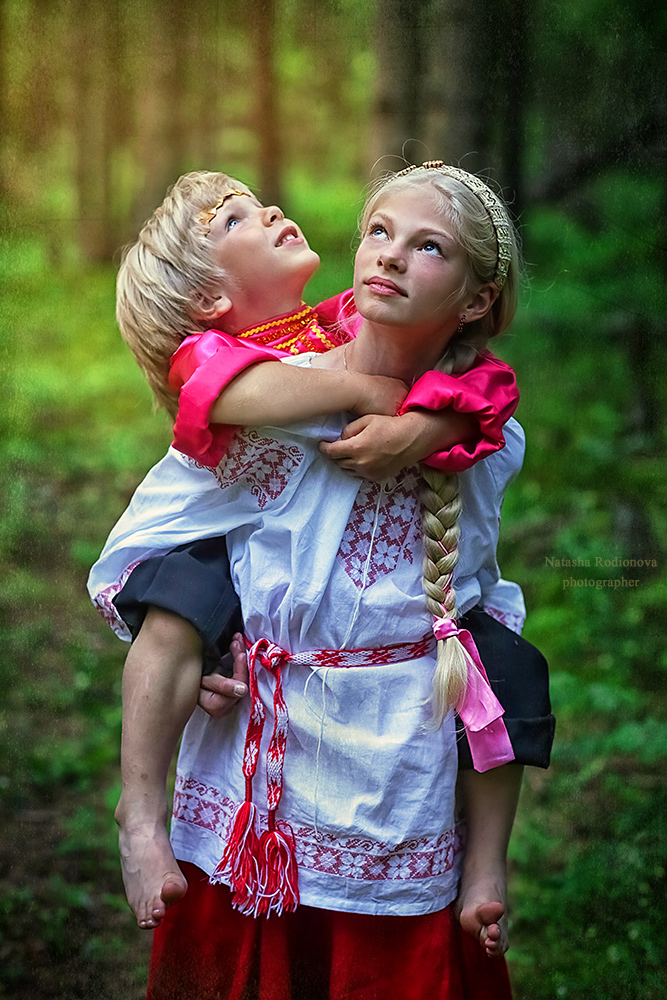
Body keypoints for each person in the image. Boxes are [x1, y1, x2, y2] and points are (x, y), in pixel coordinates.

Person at [89, 162, 553, 998]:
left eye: (426, 246)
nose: (388, 256)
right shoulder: (264, 407)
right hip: (264, 757)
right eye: (377, 233)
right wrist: (213, 635)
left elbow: (485, 400)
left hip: (395, 761)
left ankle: (485, 869)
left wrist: (417, 429)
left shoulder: (481, 436)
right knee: (176, 603)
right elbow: (147, 541)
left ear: (477, 296)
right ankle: (139, 815)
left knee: (495, 656)